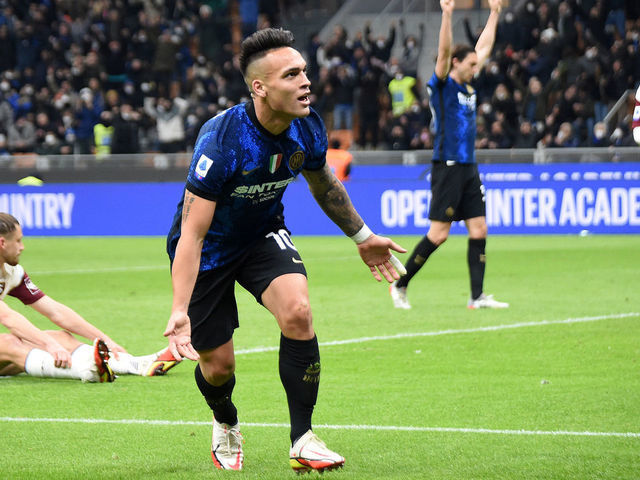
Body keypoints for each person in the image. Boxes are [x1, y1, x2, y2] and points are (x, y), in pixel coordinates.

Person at [163, 28, 406, 473]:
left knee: (298, 312)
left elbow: (324, 183)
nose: (306, 82)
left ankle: (303, 439)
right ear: (259, 87)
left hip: (261, 234)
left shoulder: (308, 125)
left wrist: (362, 236)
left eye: (305, 72)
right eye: (292, 74)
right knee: (218, 368)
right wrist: (180, 309)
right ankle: (225, 419)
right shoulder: (221, 140)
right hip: (210, 251)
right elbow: (192, 236)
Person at [389, 0, 509, 310]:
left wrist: (495, 13)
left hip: (468, 166)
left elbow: (483, 48)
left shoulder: (468, 84)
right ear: (456, 63)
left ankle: (476, 296)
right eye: (469, 65)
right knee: (439, 234)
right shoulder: (442, 86)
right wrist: (446, 14)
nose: (475, 68)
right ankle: (400, 284)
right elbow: (442, 54)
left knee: (479, 228)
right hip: (448, 166)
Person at [0, 213, 180, 382]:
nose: (22, 247)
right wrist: (48, 345)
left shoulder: (12, 272)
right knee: (9, 342)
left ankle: (134, 364)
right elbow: (8, 317)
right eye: (18, 241)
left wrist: (106, 340)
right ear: (2, 243)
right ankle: (87, 371)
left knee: (61, 338)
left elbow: (56, 312)